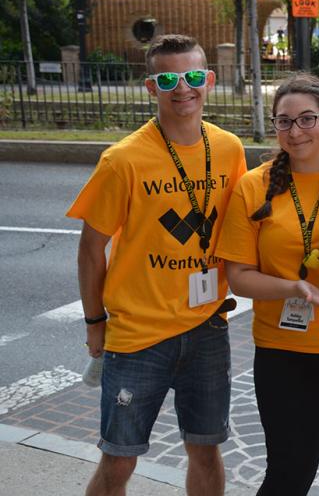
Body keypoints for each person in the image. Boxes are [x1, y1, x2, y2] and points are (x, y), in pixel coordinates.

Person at [68, 34, 247, 495]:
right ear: (151, 87)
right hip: (138, 335)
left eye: (191, 76)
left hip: (207, 327)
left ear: (208, 80)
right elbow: (91, 248)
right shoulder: (123, 160)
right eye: (168, 78)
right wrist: (94, 322)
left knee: (206, 450)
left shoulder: (229, 150)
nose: (181, 88)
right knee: (119, 461)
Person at [215, 73, 319, 496]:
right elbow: (239, 278)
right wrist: (294, 289)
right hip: (283, 351)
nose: (295, 131)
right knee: (291, 468)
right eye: (284, 122)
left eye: (307, 119)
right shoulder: (253, 187)